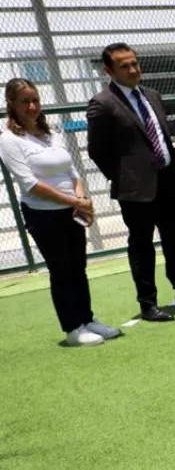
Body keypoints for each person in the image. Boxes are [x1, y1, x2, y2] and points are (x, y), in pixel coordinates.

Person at [86, 42, 175, 321]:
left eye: (134, 63)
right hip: (135, 190)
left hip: (166, 180)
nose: (133, 69)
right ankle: (147, 303)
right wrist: (124, 177)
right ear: (108, 70)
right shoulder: (103, 103)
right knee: (141, 246)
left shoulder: (152, 95)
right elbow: (97, 151)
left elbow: (161, 137)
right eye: (124, 65)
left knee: (174, 240)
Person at [1, 78, 121, 346]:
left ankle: (88, 320)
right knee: (61, 269)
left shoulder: (51, 134)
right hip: (42, 213)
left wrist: (80, 199)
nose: (32, 106)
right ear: (12, 104)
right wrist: (74, 202)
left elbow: (72, 171)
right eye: (25, 101)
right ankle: (72, 328)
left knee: (78, 267)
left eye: (35, 100)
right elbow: (29, 184)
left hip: (71, 209)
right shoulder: (10, 140)